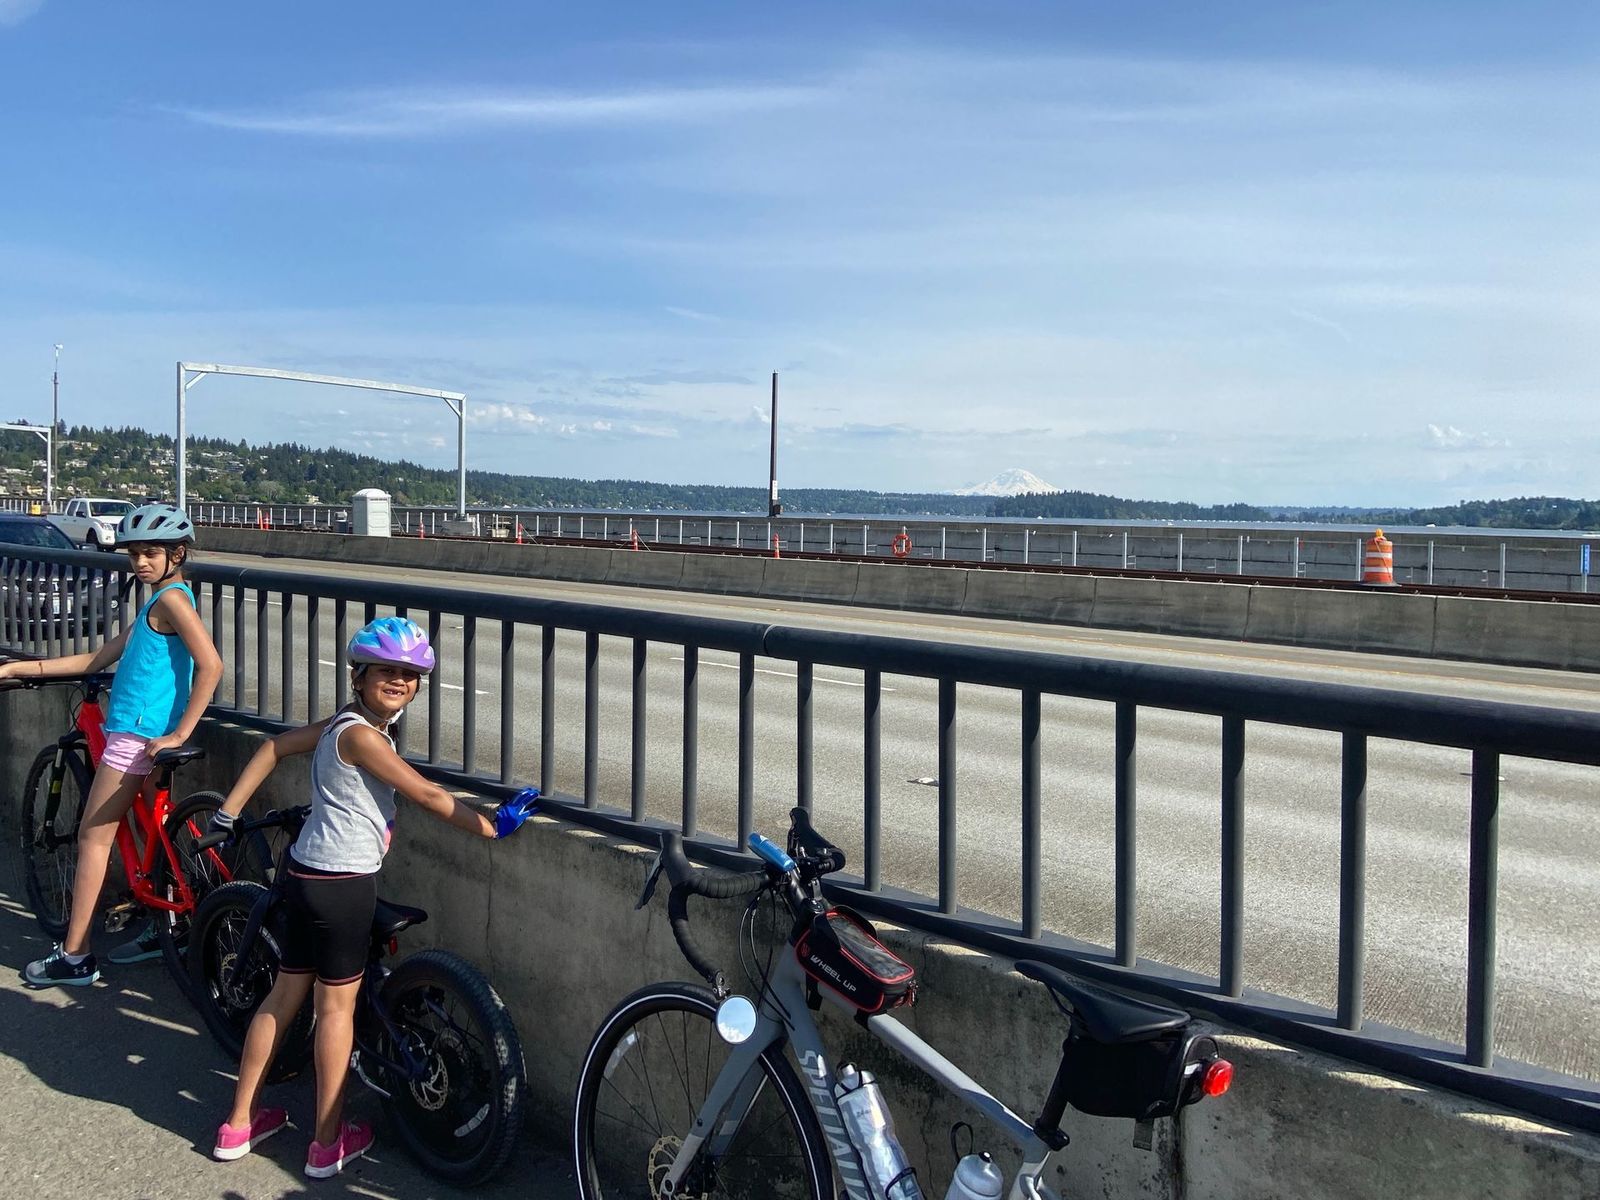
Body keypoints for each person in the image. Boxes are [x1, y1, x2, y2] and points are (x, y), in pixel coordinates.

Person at [208, 615, 539, 1178]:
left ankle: (238, 1125)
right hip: (342, 887)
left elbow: (273, 747)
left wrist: (228, 812)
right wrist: (491, 827)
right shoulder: (362, 737)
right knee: (334, 1011)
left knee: (281, 1000)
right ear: (357, 675)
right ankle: (326, 1144)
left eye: (409, 675)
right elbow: (426, 794)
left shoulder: (340, 724)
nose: (399, 681)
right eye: (386, 671)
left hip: (303, 874)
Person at [0, 502, 223, 986]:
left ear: (177, 554)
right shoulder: (160, 601)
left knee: (92, 837)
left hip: (137, 737)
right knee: (152, 830)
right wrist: (22, 667)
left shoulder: (171, 601)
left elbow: (211, 664)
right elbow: (98, 657)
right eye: (133, 554)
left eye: (150, 553)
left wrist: (180, 734)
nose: (139, 562)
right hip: (148, 736)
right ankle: (167, 924)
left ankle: (76, 955)